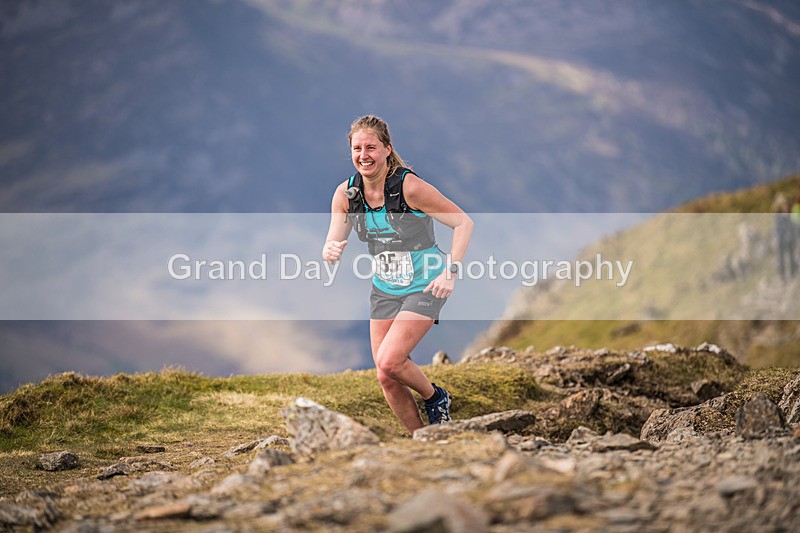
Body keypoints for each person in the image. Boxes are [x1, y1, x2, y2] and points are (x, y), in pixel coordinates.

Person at [322, 115, 474, 434]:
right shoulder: (347, 194)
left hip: (427, 282)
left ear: (387, 150)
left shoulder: (410, 187)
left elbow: (463, 223)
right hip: (385, 288)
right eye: (357, 148)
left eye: (371, 147)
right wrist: (330, 249)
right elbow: (335, 234)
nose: (364, 155)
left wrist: (451, 271)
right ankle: (420, 438)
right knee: (385, 375)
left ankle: (436, 398)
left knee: (390, 360)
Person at [774, 194, 797, 281]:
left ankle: (792, 273)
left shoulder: (790, 215)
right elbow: (777, 229)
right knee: (781, 258)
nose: (787, 208)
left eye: (788, 206)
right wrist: (777, 238)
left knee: (791, 256)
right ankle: (782, 276)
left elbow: (793, 227)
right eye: (785, 206)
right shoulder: (779, 216)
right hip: (781, 240)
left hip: (790, 239)